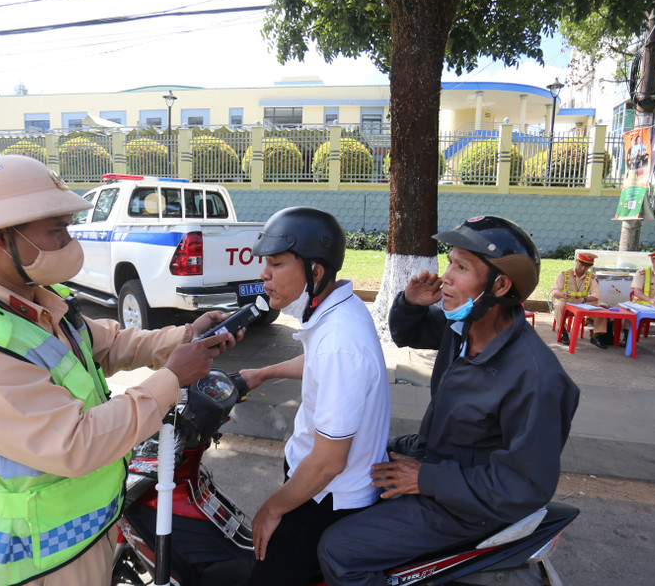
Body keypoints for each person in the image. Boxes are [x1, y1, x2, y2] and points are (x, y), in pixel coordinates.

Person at [0, 155, 238, 586]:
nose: (70, 239)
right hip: (27, 564)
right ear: (0, 236)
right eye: (57, 229)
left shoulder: (38, 301)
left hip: (84, 537)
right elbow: (76, 442)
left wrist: (185, 336)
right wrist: (170, 379)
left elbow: (105, 343)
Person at [317, 215, 580, 586]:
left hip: (470, 505)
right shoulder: (465, 326)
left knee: (340, 550)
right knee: (344, 465)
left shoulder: (535, 379)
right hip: (437, 457)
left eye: (461, 267)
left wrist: (426, 479)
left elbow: (522, 488)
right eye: (449, 262)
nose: (446, 277)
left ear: (500, 285)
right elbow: (408, 332)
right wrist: (410, 302)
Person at [238, 207, 391, 586]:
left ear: (315, 271)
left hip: (325, 498)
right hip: (316, 486)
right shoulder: (340, 309)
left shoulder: (340, 342)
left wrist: (270, 510)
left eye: (275, 264)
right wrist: (262, 373)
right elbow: (318, 363)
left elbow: (326, 463)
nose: (264, 275)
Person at [551, 251, 611, 348]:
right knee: (559, 305)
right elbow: (555, 292)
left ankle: (597, 336)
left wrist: (583, 300)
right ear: (577, 261)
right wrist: (562, 294)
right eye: (581, 264)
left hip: (583, 303)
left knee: (602, 306)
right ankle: (563, 332)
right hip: (567, 302)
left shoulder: (591, 277)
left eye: (587, 266)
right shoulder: (564, 274)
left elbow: (597, 295)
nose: (583, 268)